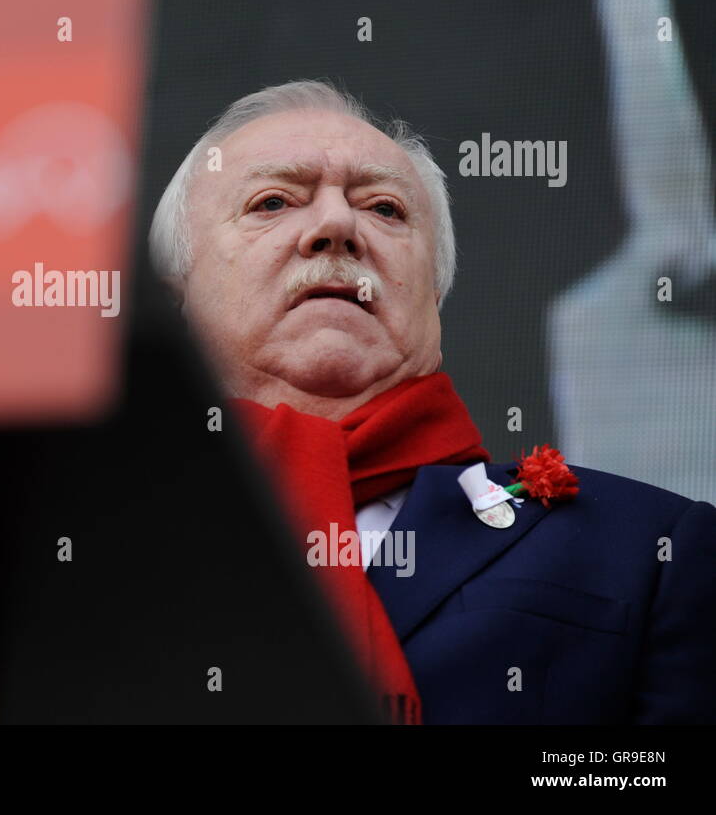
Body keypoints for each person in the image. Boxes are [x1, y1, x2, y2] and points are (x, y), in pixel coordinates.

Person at [149, 80, 716, 724]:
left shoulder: (649, 547)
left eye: (385, 209)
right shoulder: (72, 545)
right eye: (273, 201)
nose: (337, 225)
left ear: (434, 298)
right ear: (174, 304)